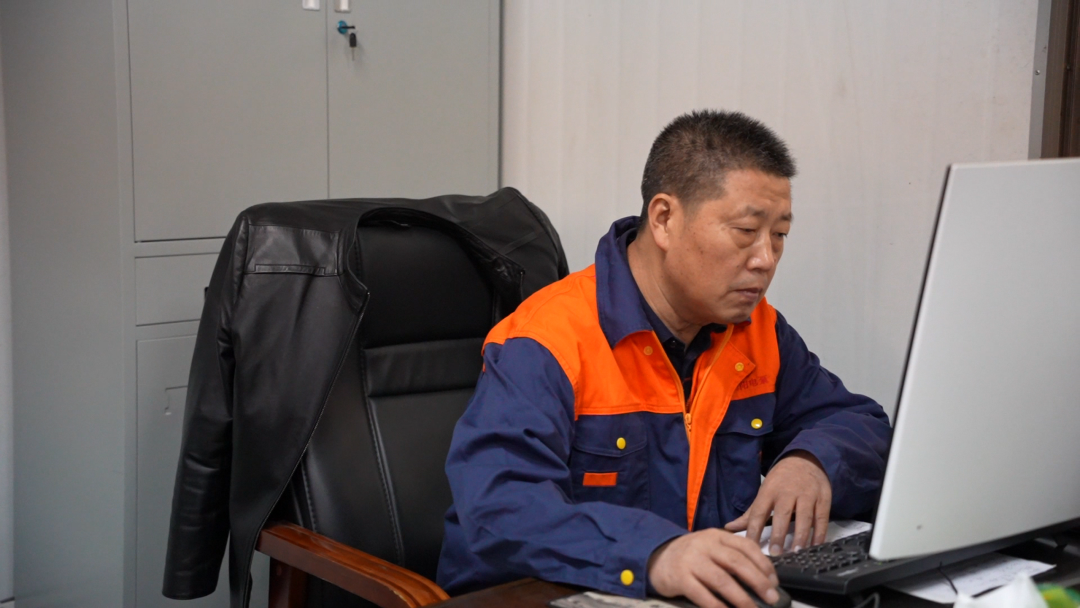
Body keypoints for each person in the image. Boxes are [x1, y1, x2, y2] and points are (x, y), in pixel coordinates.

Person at [436, 110, 892, 608]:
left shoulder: (757, 331)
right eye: (746, 230)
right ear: (664, 220)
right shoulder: (548, 341)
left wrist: (812, 462)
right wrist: (653, 553)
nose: (766, 258)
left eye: (779, 234)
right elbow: (500, 505)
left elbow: (859, 423)